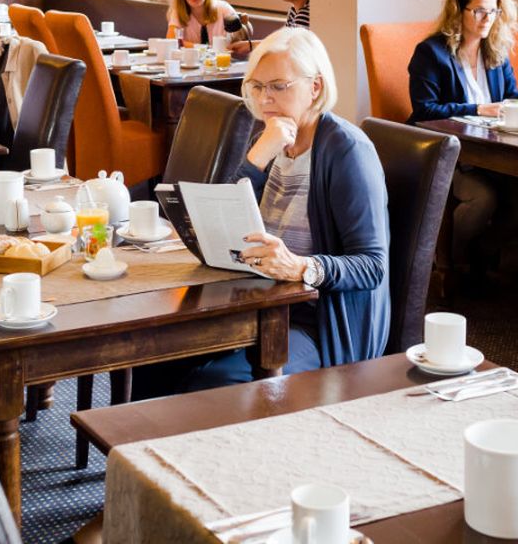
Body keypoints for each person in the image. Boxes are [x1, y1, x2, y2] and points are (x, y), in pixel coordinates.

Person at [134, 28, 389, 396]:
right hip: (261, 304)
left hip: (320, 324)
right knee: (150, 354)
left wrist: (301, 267)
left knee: (214, 384)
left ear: (314, 87)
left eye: (279, 86)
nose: (266, 98)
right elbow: (223, 219)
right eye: (257, 86)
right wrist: (257, 157)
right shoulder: (272, 140)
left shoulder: (346, 151)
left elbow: (372, 265)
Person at [407, 0, 518, 273]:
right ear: (458, 11)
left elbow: (510, 95)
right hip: (450, 153)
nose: (486, 18)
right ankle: (439, 259)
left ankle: (481, 249)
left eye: (492, 11)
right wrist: (478, 108)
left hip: (494, 153)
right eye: (478, 11)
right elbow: (424, 110)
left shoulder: (496, 52)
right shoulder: (432, 53)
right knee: (483, 198)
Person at [165, 0, 243, 49]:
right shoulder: (179, 12)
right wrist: (205, 49)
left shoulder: (223, 9)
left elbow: (241, 39)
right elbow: (171, 40)